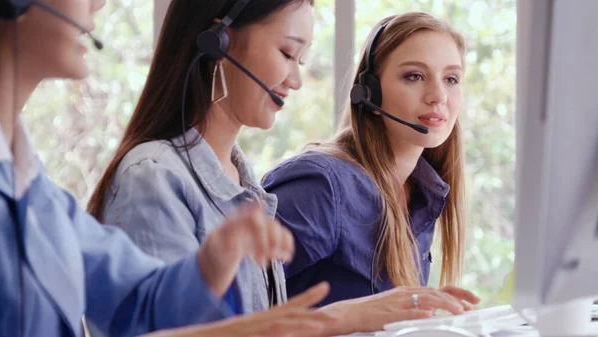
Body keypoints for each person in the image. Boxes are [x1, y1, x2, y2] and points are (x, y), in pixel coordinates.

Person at [88, 1, 480, 335]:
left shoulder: (244, 187)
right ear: (218, 42)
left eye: (301, 59)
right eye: (287, 54)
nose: (295, 79)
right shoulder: (154, 177)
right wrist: (340, 317)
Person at [0, 0, 339, 336]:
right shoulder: (152, 174)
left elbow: (139, 301)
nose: (99, 3)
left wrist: (212, 263)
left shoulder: (34, 190)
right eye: (287, 54)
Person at [262, 11, 469, 306]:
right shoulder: (322, 186)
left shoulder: (422, 195)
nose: (438, 96)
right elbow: (232, 308)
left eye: (451, 79)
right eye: (414, 76)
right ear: (369, 92)